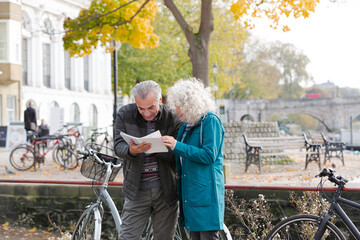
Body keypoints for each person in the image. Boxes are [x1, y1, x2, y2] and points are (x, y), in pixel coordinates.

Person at [114, 80, 182, 240]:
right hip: (136, 190)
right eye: (141, 108)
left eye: (151, 107)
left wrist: (157, 148)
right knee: (127, 237)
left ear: (160, 100)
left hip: (166, 191)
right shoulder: (124, 114)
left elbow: (179, 155)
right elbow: (118, 146)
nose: (146, 113)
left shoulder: (172, 117)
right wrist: (131, 150)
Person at [161, 78, 225, 240]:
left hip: (205, 194)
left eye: (179, 106)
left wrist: (177, 146)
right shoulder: (187, 124)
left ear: (191, 104)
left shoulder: (211, 121)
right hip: (191, 193)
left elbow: (209, 155)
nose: (176, 110)